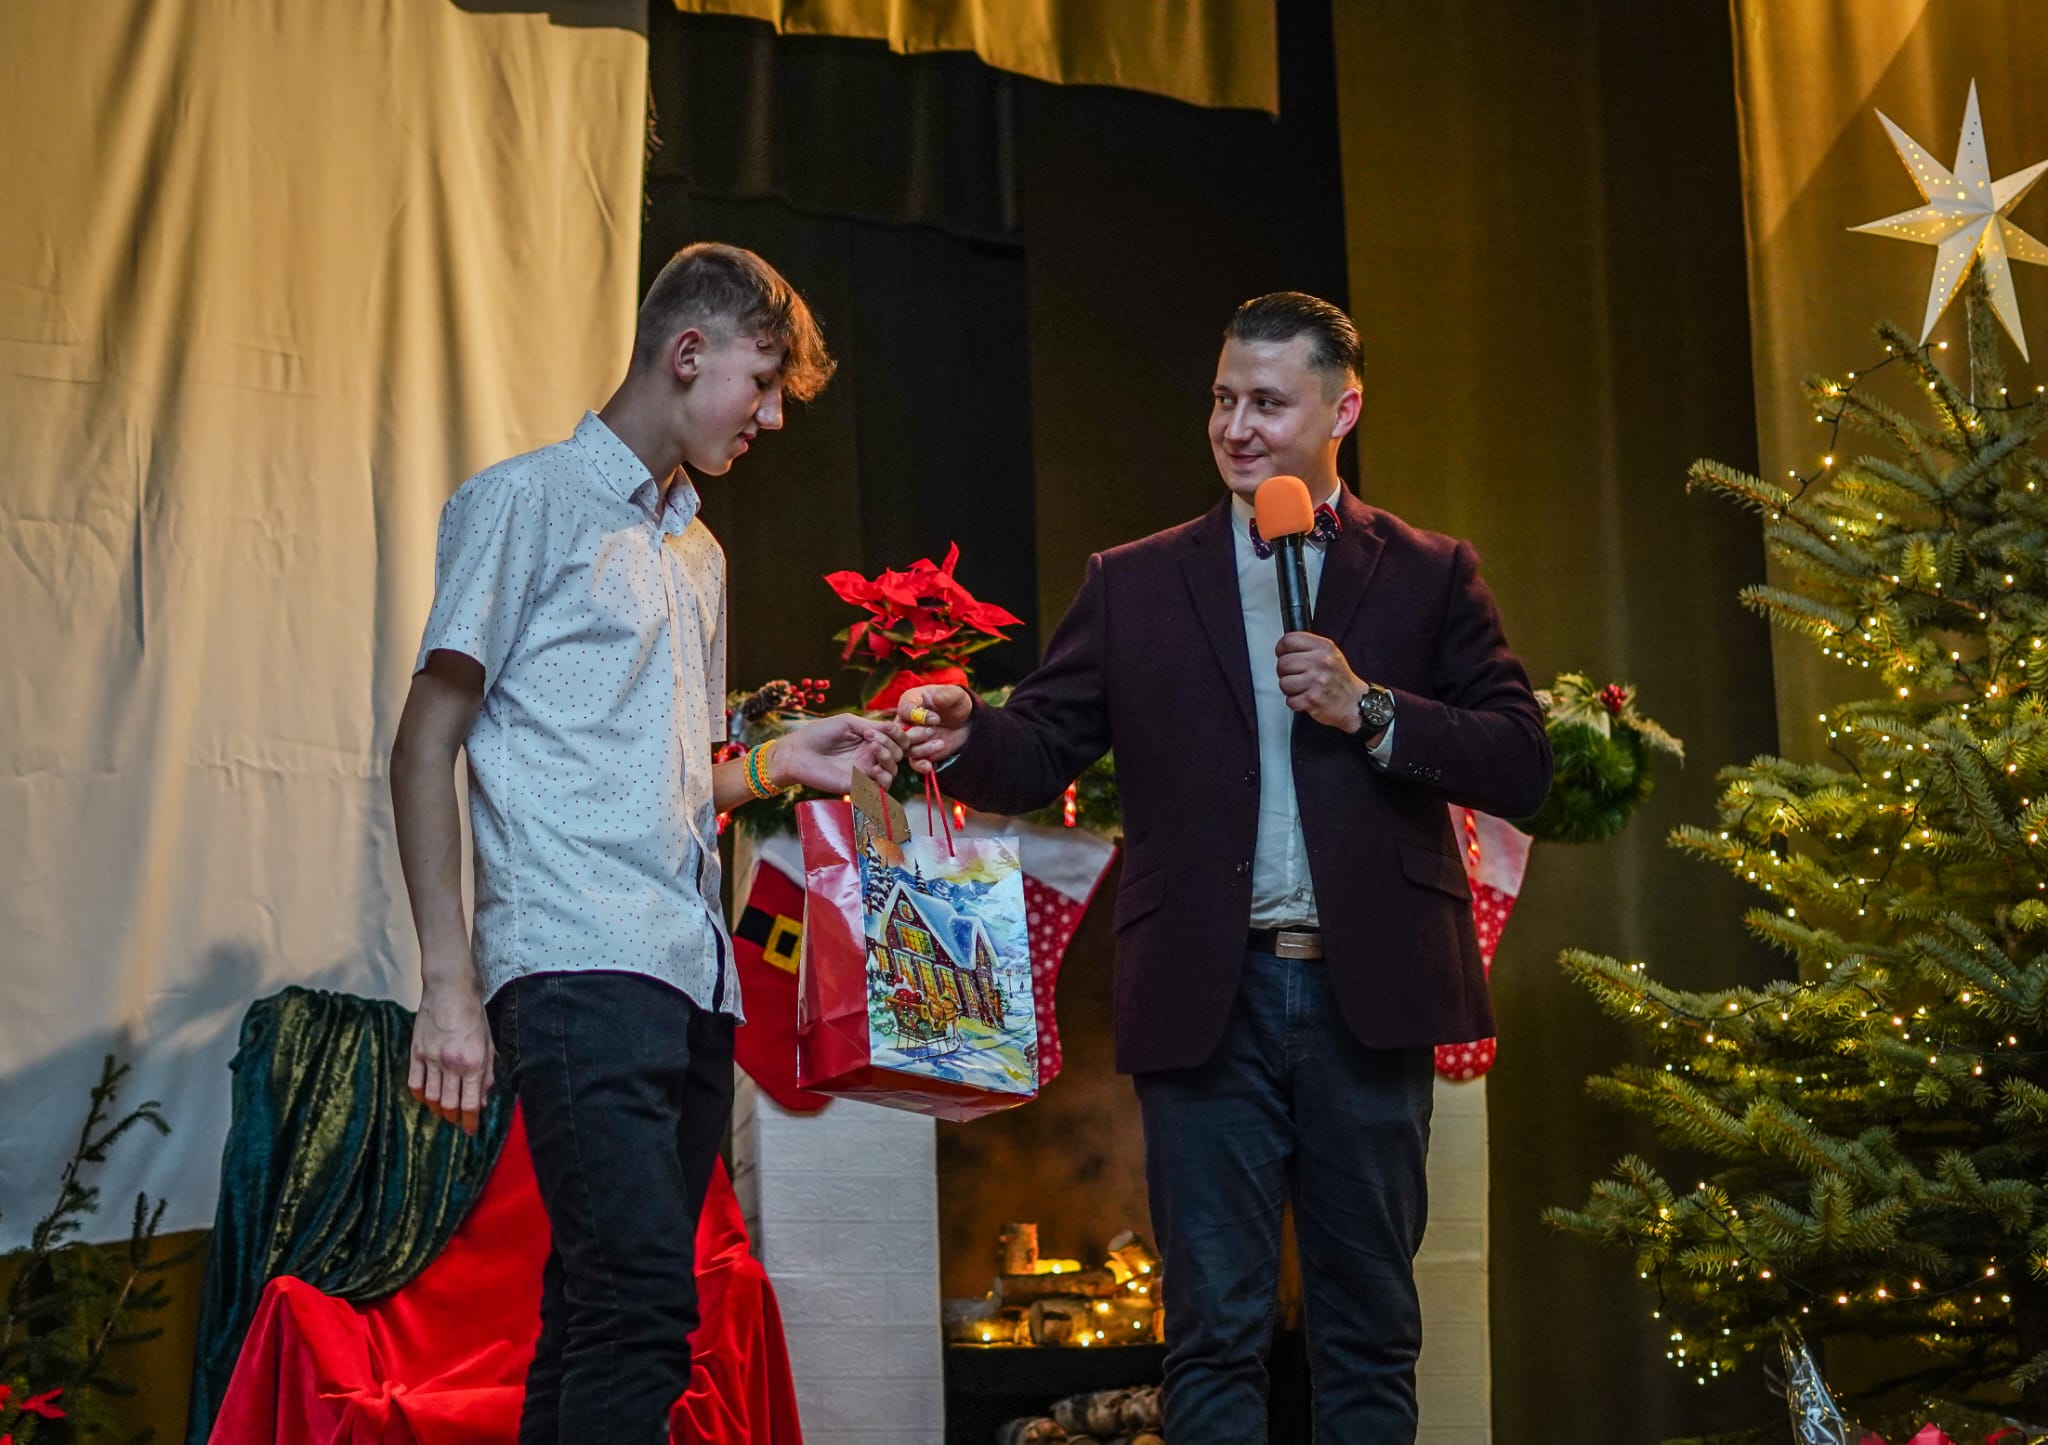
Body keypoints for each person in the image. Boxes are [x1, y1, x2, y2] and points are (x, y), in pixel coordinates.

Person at [898, 292, 1551, 1442]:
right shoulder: (1136, 579)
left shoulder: (1427, 572)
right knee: (1211, 1328)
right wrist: (964, 731)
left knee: (1367, 1329)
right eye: (1220, 399)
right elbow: (1040, 743)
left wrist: (1369, 707)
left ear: (1341, 410)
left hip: (1370, 992)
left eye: (1265, 402)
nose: (1234, 427)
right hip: (1206, 996)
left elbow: (1519, 760)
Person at [390, 242, 899, 1442]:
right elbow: (422, 746)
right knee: (640, 1307)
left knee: (594, 1309)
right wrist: (448, 984)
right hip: (574, 960)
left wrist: (781, 760)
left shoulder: (698, 554)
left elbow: (672, 783)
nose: (772, 417)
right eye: (761, 383)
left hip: (689, 976)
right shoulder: (522, 502)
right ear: (687, 352)